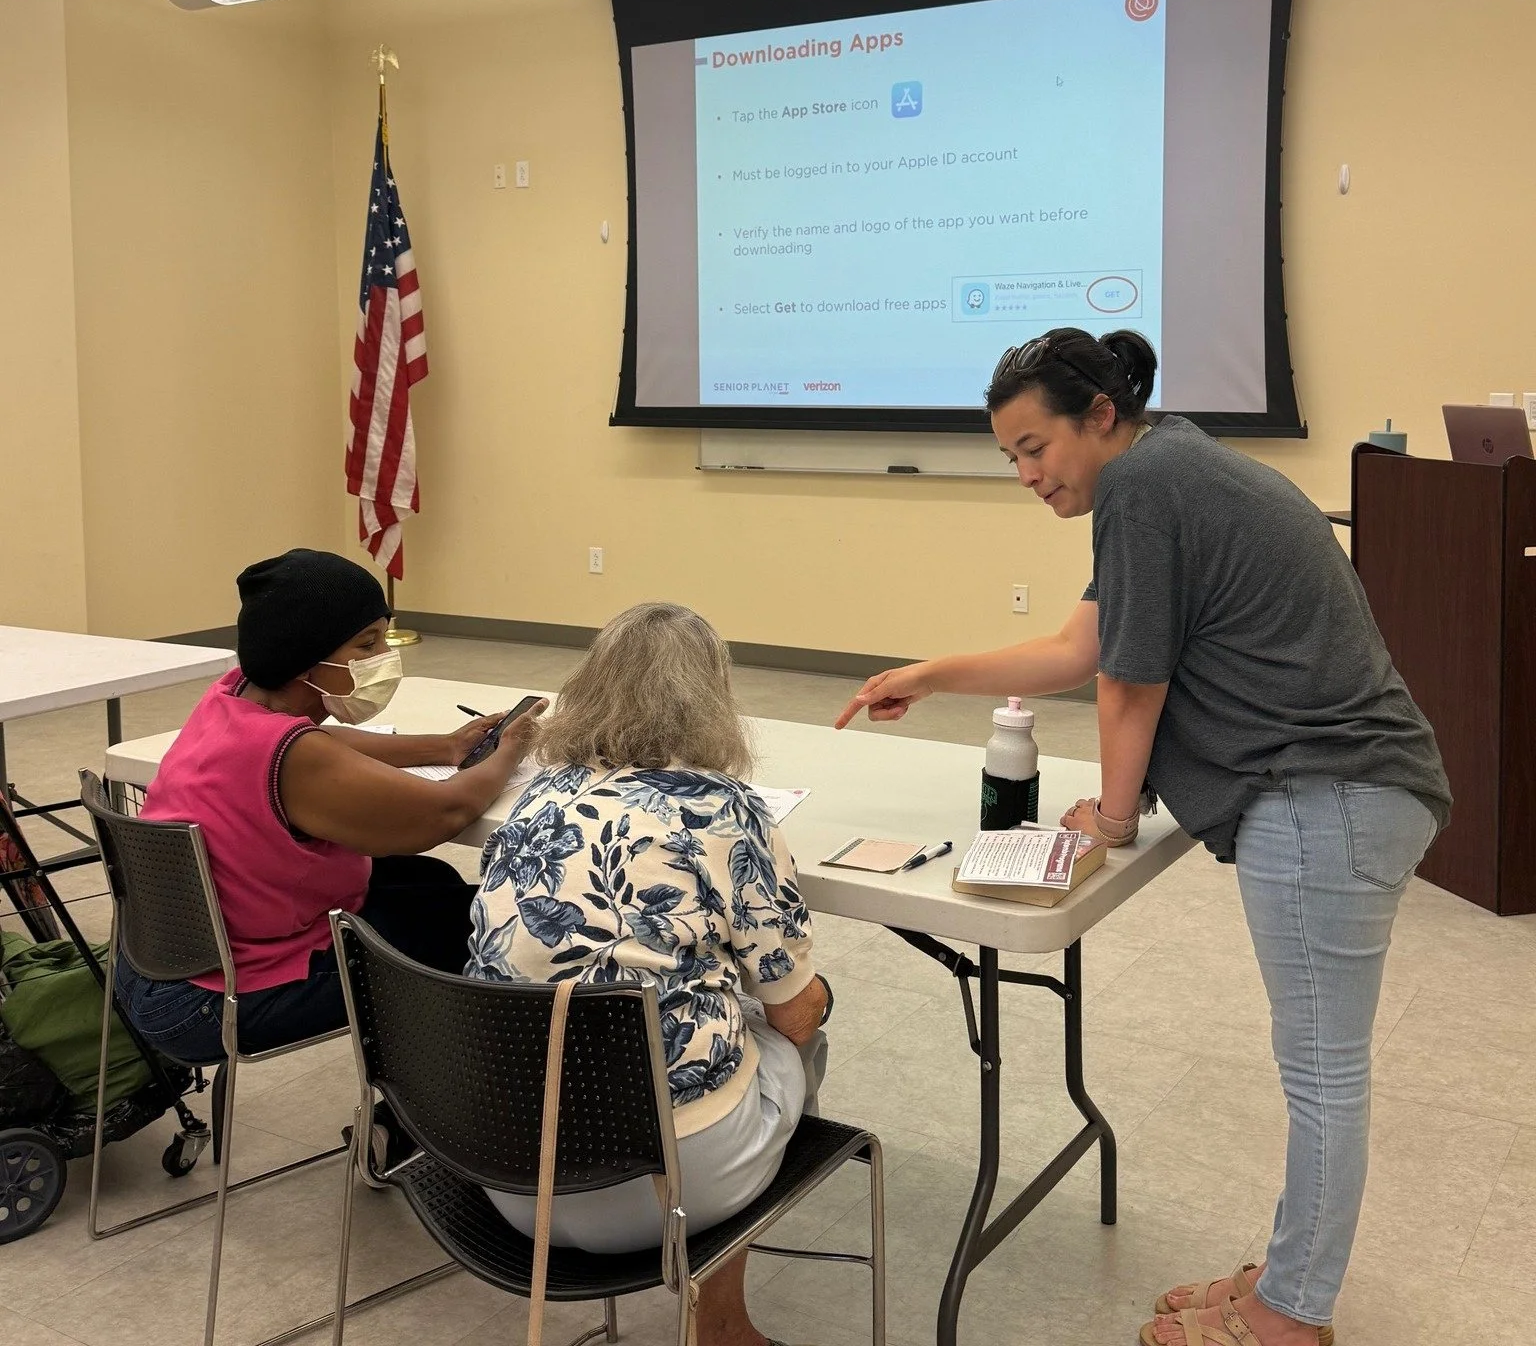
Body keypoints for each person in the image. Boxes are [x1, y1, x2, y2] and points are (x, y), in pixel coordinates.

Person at [835, 329, 1450, 1346]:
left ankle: (1293, 1312)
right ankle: (1287, 1275)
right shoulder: (1168, 468)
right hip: (1343, 791)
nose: (1026, 475)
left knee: (1324, 1068)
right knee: (1316, 1061)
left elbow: (1131, 680)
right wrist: (930, 673)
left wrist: (1113, 822)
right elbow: (1082, 646)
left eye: (1035, 448)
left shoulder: (1146, 489)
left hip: (1330, 795)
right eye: (1010, 459)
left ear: (1101, 418)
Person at [465, 602, 829, 1346]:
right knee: (797, 1028)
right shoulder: (729, 814)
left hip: (506, 1170)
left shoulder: (535, 801)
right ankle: (721, 1323)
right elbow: (794, 1015)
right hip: (671, 1189)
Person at [114, 548, 543, 1064]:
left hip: (164, 961)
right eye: (368, 644)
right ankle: (431, 1107)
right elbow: (444, 813)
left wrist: (446, 746)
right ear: (305, 658)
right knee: (487, 930)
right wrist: (508, 751)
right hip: (212, 1000)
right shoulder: (292, 757)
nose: (384, 656)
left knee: (430, 883)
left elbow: (322, 742)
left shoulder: (234, 702)